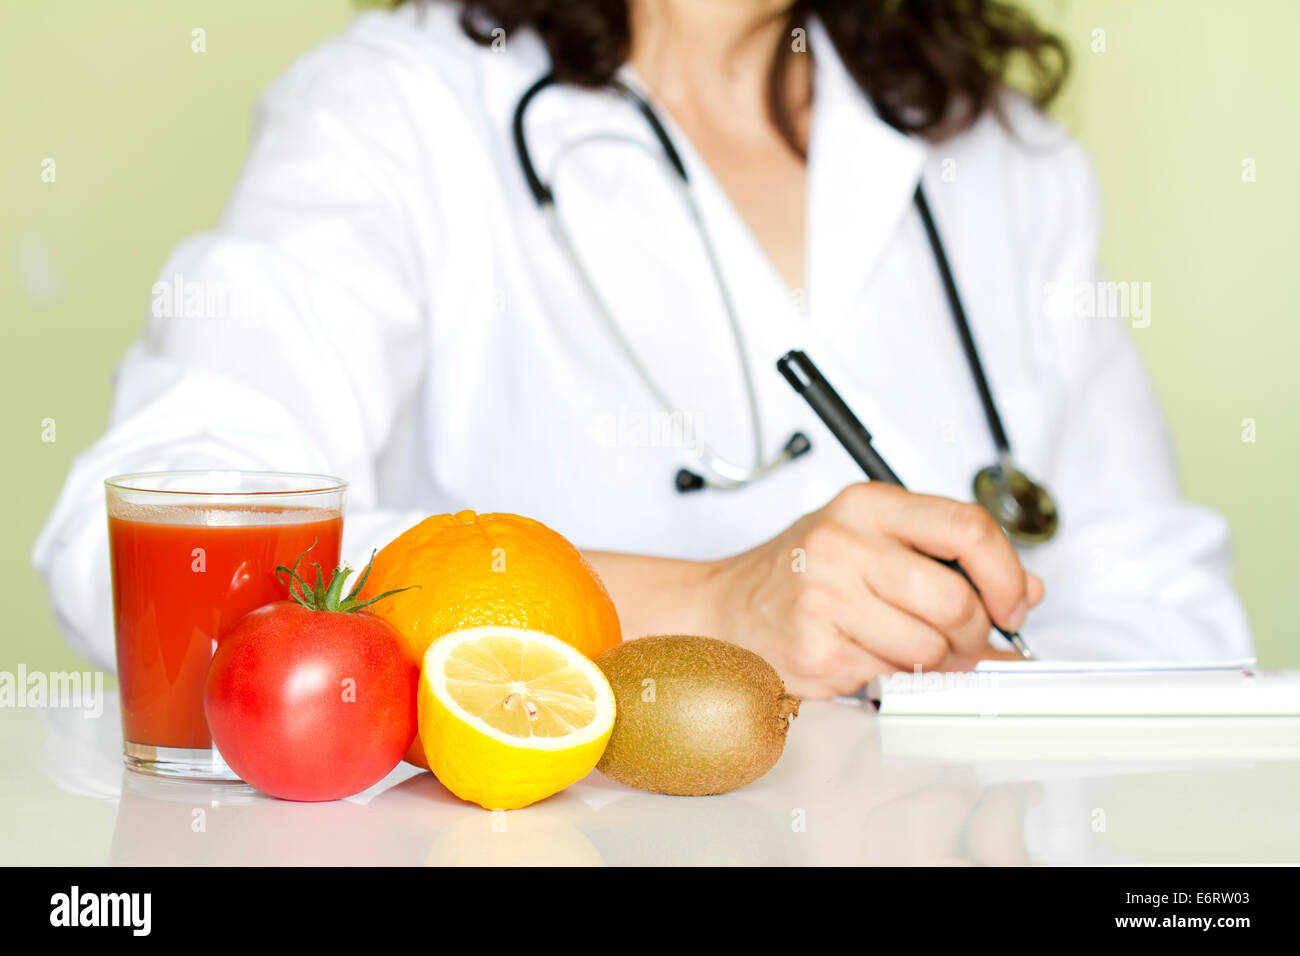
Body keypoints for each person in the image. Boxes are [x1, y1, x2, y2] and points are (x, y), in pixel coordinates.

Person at [33, 0, 1252, 699]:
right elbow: (146, 548)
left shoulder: (1004, 161)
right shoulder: (396, 112)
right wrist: (714, 603)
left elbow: (1173, 619)